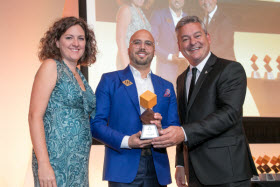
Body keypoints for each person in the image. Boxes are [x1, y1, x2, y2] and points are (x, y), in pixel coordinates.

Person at [152, 16, 258, 186]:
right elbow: (183, 121)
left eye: (197, 36)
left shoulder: (230, 69)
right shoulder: (181, 79)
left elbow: (229, 114)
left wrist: (184, 133)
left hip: (228, 173)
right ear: (179, 46)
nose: (192, 42)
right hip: (194, 173)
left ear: (208, 38)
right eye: (185, 39)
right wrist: (180, 163)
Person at [91, 29, 180, 187]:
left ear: (154, 51)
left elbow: (174, 127)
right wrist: (127, 141)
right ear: (128, 48)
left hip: (157, 169)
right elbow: (95, 125)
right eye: (137, 42)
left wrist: (162, 130)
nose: (142, 47)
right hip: (122, 166)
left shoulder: (167, 86)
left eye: (148, 43)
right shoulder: (110, 80)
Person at [28, 17, 97, 187]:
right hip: (54, 162)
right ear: (57, 42)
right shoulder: (51, 66)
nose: (76, 43)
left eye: (81, 38)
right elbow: (34, 116)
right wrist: (44, 164)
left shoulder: (79, 75)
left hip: (78, 164)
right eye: (69, 37)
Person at [150, 0, 188, 88]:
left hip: (184, 71)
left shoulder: (187, 18)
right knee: (164, 100)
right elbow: (151, 43)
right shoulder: (158, 15)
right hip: (165, 69)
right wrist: (170, 57)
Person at [116, 0, 153, 70]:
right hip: (128, 62)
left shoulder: (139, 10)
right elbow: (120, 40)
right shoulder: (126, 10)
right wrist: (127, 67)